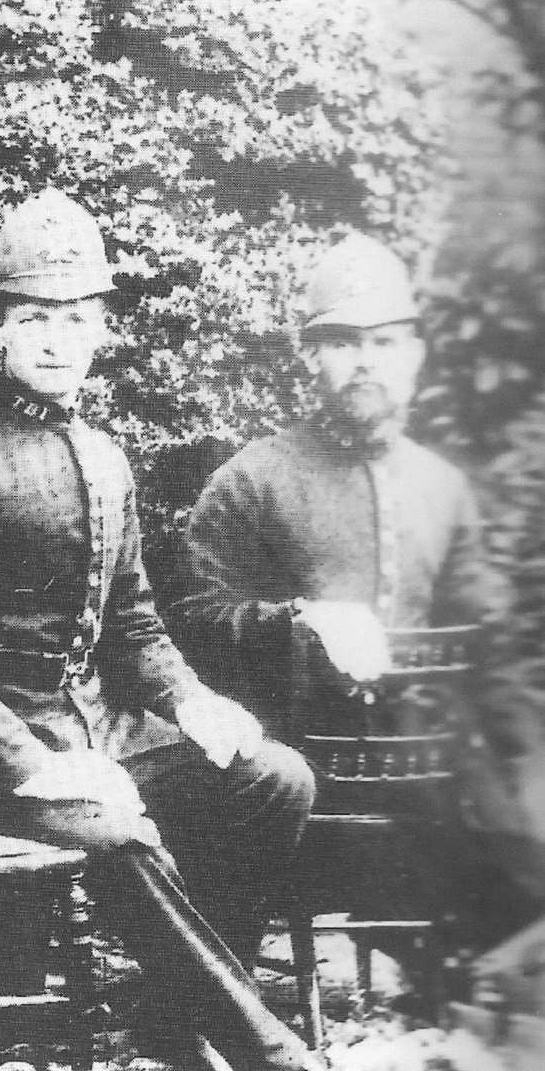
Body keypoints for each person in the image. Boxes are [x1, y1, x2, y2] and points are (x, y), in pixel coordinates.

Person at [0, 189, 320, 1071]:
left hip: (100, 731)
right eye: (33, 317)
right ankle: (258, 1046)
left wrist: (192, 703)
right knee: (113, 829)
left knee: (275, 778)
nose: (53, 339)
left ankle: (169, 1017)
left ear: (99, 330)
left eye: (75, 319)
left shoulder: (104, 456)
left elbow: (133, 623)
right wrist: (36, 763)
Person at [171, 232, 537, 944]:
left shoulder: (441, 485)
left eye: (386, 341)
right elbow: (191, 622)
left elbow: (490, 637)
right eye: (342, 342)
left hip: (438, 802)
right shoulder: (251, 481)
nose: (366, 360)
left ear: (416, 354)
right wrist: (299, 620)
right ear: (309, 356)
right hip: (303, 805)